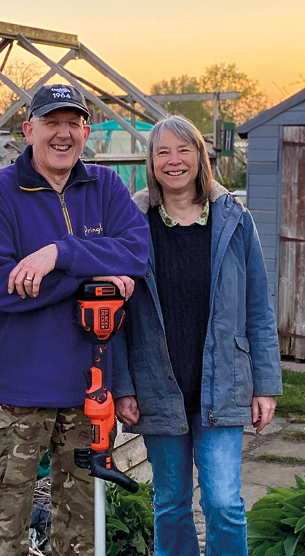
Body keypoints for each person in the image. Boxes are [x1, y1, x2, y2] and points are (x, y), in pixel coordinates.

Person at [0, 83, 149, 556]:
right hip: (15, 394)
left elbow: (138, 252)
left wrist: (57, 254)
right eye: (52, 122)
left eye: (73, 123)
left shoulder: (104, 187)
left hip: (86, 394)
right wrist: (95, 278)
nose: (63, 134)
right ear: (29, 130)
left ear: (86, 131)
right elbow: (0, 286)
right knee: (5, 533)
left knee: (82, 535)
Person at [112, 115, 281, 556]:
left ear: (199, 157)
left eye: (183, 150)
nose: (174, 161)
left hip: (222, 384)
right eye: (162, 151)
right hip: (157, 385)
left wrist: (265, 385)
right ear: (151, 161)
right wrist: (122, 386)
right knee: (170, 503)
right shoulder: (135, 222)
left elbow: (259, 309)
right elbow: (117, 315)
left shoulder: (234, 220)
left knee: (224, 502)